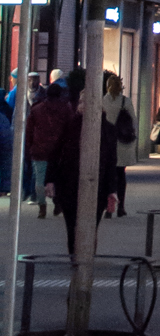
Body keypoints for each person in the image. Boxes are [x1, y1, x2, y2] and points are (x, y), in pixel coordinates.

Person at [45, 96, 119, 257]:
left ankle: (86, 259)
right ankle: (75, 258)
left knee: (91, 226)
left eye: (87, 102)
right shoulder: (70, 126)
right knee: (72, 226)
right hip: (69, 185)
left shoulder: (108, 129)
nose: (83, 106)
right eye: (81, 102)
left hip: (98, 187)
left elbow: (111, 162)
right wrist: (50, 180)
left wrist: (112, 190)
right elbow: (55, 154)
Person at [25, 78, 74, 218]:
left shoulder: (36, 109)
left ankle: (42, 206)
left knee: (39, 180)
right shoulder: (66, 109)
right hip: (60, 150)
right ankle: (58, 202)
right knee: (59, 179)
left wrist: (29, 147)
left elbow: (29, 131)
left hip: (40, 149)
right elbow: (71, 129)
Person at [102, 72, 136, 216]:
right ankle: (121, 207)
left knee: (107, 177)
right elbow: (133, 122)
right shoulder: (125, 102)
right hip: (122, 143)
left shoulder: (103, 101)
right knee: (120, 176)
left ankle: (108, 208)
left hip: (107, 141)